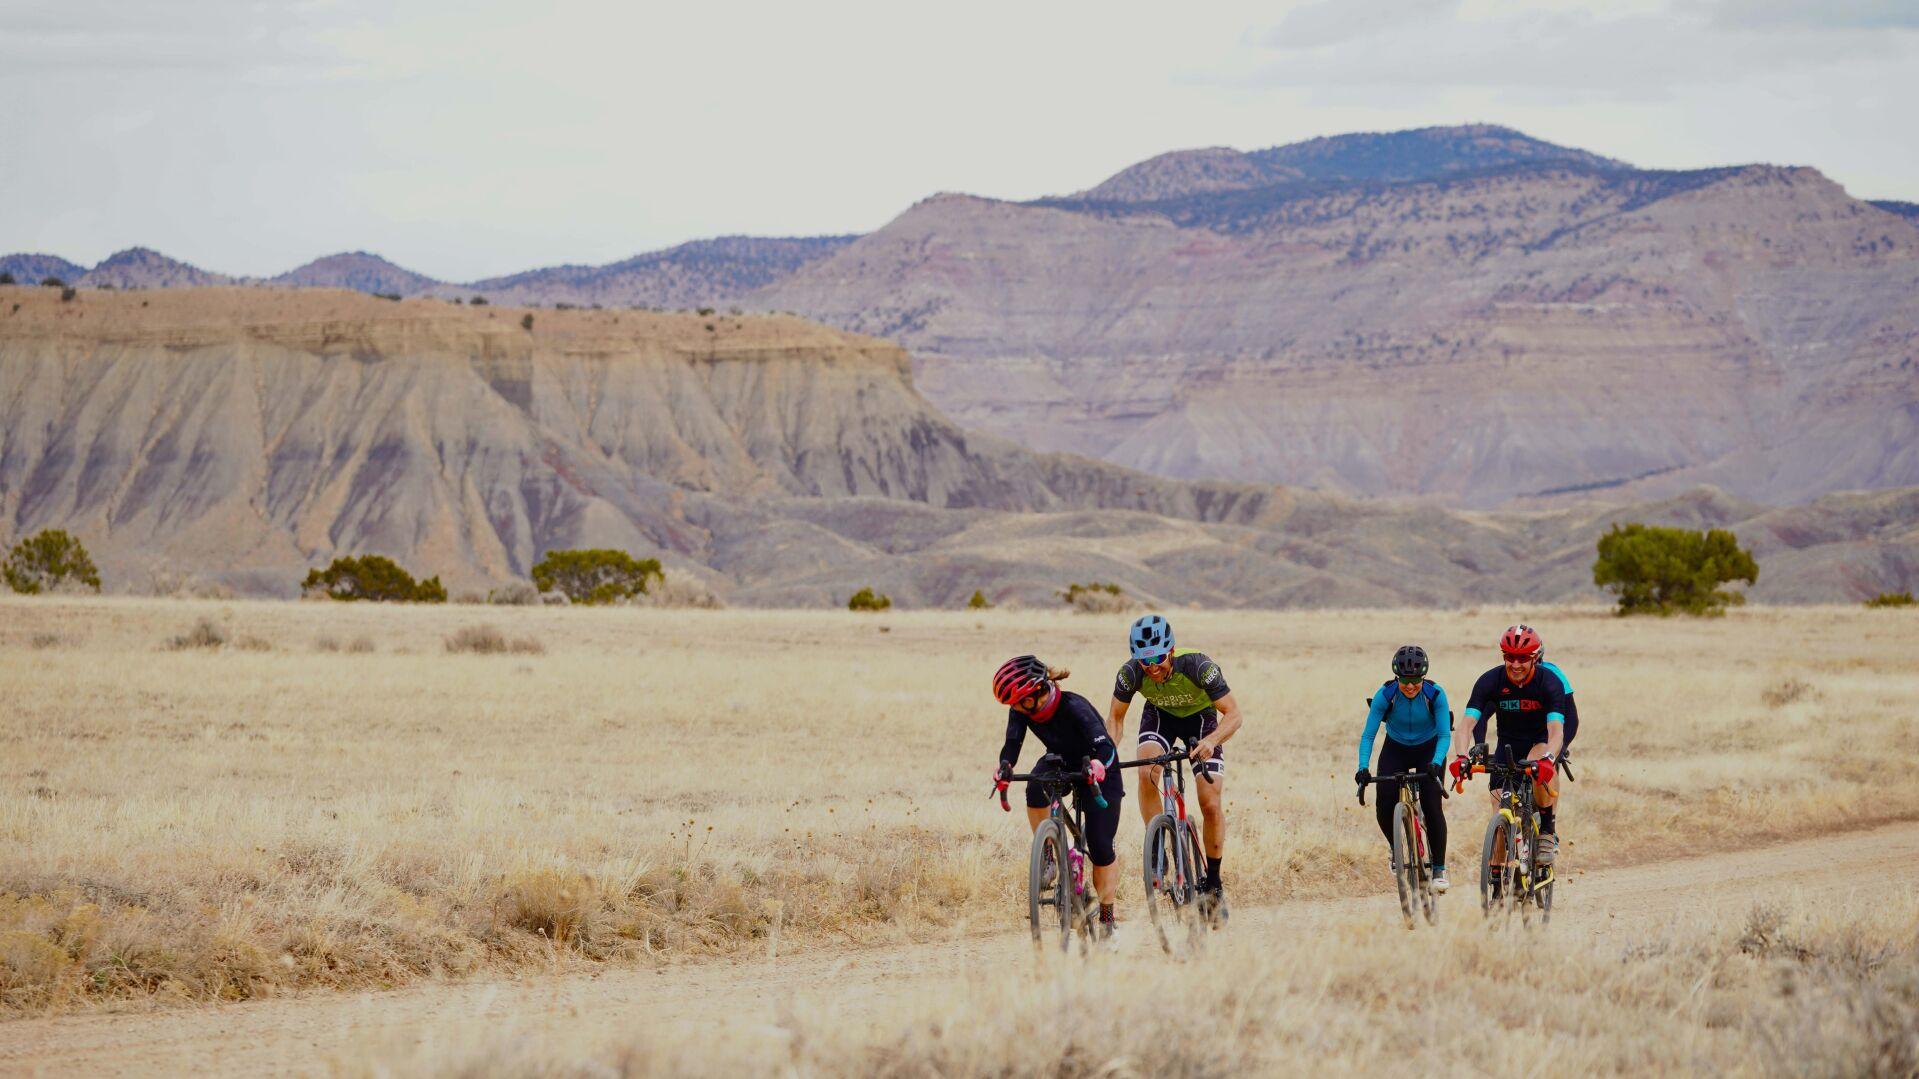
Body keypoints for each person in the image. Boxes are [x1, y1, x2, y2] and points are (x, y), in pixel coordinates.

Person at [1108, 614, 1243, 921]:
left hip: (1202, 719)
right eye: (1144, 661)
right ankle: (1157, 846)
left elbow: (1234, 715)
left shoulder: (1199, 667)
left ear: (1170, 650)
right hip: (1160, 717)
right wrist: (1106, 753)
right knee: (1147, 771)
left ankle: (1215, 883)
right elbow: (1115, 719)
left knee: (1209, 802)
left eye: (1157, 658)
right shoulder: (1130, 674)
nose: (1152, 667)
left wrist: (1211, 741)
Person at [992, 654, 1126, 941]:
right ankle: (1049, 853)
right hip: (1060, 760)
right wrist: (1005, 767)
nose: (1015, 708)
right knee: (1034, 786)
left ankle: (1107, 919)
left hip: (1099, 765)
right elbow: (1012, 744)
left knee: (1101, 848)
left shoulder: (1073, 706)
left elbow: (1105, 745)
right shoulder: (1021, 709)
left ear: (1038, 692)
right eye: (1011, 704)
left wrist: (1100, 766)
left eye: (1018, 701)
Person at [1457, 624, 1571, 881]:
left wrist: (1549, 759)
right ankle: (1497, 878)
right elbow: (1467, 723)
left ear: (1534, 658)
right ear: (1503, 656)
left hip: (1539, 741)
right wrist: (1462, 757)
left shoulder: (1549, 682)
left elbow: (1556, 731)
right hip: (1507, 746)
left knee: (1538, 762)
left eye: (1523, 658)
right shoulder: (1490, 681)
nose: (1516, 664)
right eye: (1510, 657)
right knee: (1499, 805)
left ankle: (1546, 831)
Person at [1355, 644, 1453, 893]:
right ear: (1397, 677)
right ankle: (1395, 848)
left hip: (1429, 748)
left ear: (1424, 676)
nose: (1410, 686)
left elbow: (1444, 735)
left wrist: (1436, 761)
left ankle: (1439, 868)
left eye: (1416, 680)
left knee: (1432, 804)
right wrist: (1363, 768)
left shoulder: (1436, 695)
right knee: (1383, 804)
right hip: (1395, 747)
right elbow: (1368, 736)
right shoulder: (1385, 695)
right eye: (1405, 680)